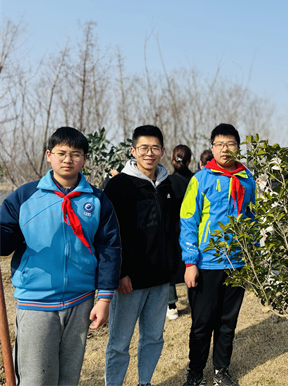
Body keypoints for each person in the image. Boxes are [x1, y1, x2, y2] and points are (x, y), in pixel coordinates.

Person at [0, 127, 121, 386]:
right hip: (36, 302)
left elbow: (109, 249)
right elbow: (5, 240)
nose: (68, 159)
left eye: (75, 154)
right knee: (36, 379)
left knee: (68, 378)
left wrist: (104, 299)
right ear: (48, 155)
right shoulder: (25, 197)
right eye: (61, 153)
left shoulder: (97, 200)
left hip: (81, 301)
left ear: (85, 159)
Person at [104, 125, 180, 386]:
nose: (149, 153)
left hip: (159, 279)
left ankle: (144, 382)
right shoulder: (117, 186)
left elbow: (172, 230)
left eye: (155, 148)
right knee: (119, 342)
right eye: (144, 148)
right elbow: (110, 235)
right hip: (129, 282)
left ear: (162, 151)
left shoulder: (167, 185)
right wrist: (120, 272)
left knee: (154, 337)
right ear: (133, 150)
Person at [180, 123, 256, 386]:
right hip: (207, 262)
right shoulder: (201, 179)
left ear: (238, 147)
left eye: (231, 144)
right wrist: (191, 262)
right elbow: (188, 220)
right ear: (212, 148)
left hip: (237, 263)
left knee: (227, 322)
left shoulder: (247, 180)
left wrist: (253, 258)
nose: (225, 149)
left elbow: (252, 220)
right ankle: (196, 371)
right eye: (220, 144)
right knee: (202, 323)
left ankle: (220, 371)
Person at [167, 144, 194, 320]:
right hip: (193, 229)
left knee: (170, 266)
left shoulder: (167, 182)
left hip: (172, 230)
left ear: (171, 158)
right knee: (191, 264)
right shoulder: (197, 179)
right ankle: (193, 299)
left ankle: (171, 306)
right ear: (190, 159)